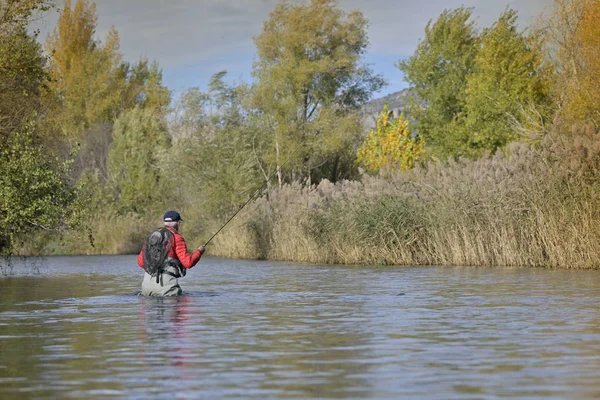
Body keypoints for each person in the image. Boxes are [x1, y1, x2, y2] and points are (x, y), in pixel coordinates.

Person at [138, 210, 206, 296]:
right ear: (179, 223)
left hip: (146, 287)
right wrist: (199, 252)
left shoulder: (151, 237)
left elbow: (140, 263)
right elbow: (188, 263)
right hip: (166, 287)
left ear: (164, 223)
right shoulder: (177, 238)